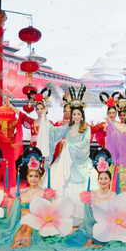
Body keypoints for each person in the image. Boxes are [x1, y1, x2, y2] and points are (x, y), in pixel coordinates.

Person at [46, 87, 93, 224]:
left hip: (80, 163)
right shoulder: (66, 127)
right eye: (74, 114)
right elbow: (53, 132)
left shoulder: (86, 129)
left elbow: (85, 145)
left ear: (82, 115)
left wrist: (69, 145)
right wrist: (44, 120)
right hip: (65, 162)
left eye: (78, 114)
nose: (76, 117)